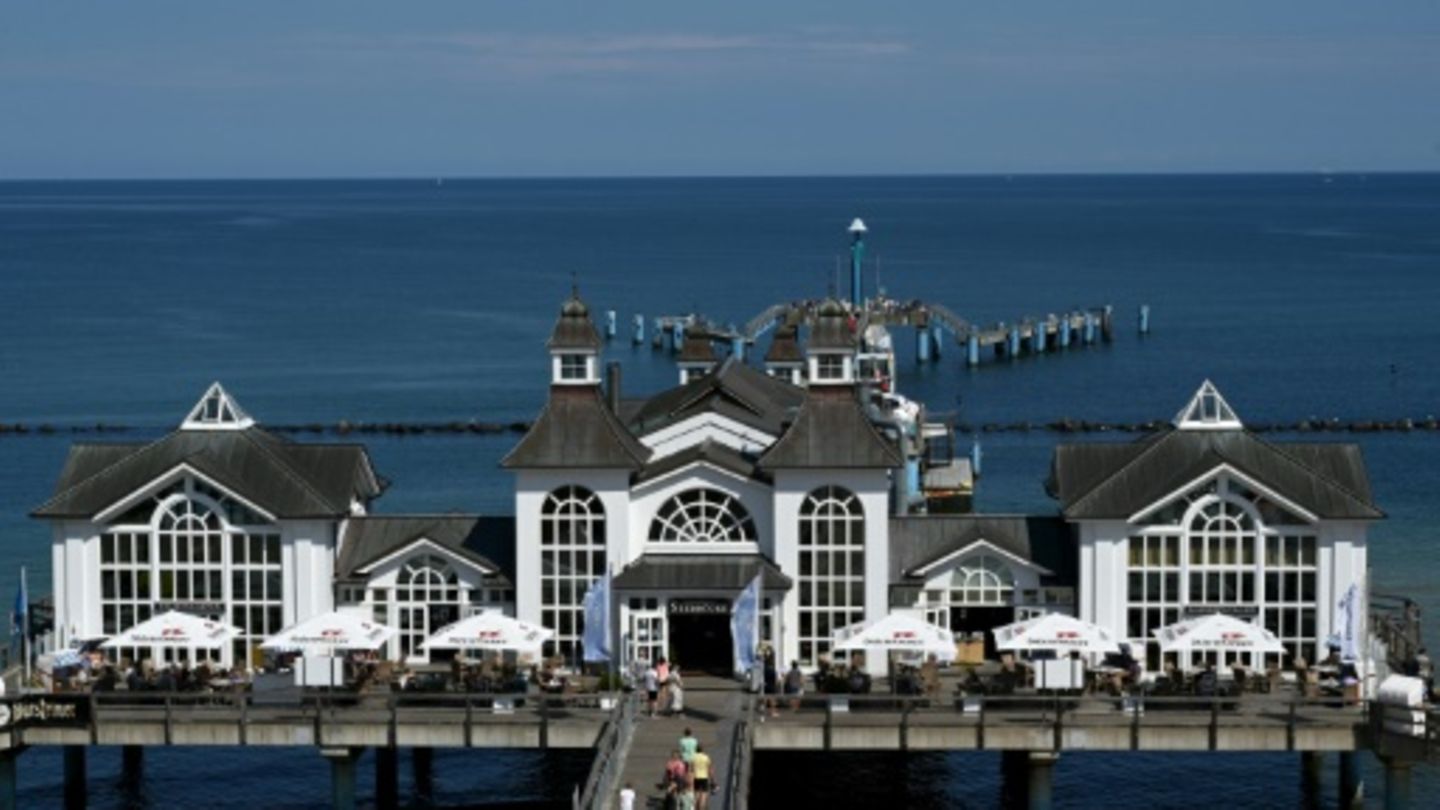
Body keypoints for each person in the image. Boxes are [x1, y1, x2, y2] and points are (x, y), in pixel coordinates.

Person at [691, 743, 713, 810]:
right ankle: (701, 808)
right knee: (703, 795)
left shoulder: (693, 757)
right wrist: (712, 779)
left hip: (696, 777)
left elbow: (691, 769)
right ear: (702, 750)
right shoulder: (706, 757)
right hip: (704, 777)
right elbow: (710, 769)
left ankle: (694, 808)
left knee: (696, 794)